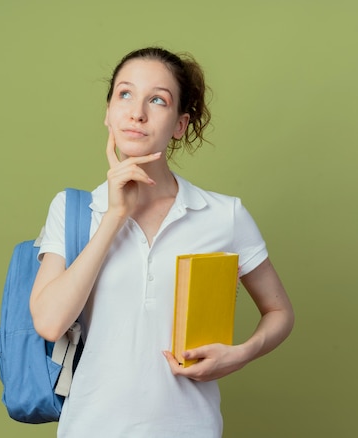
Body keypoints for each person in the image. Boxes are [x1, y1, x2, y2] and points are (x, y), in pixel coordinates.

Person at [29, 47, 294, 437]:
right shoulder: (72, 210)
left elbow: (280, 312)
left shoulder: (224, 216)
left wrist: (240, 355)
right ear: (108, 114)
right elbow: (50, 323)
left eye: (157, 99)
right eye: (124, 94)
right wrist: (114, 216)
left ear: (179, 125)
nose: (137, 112)